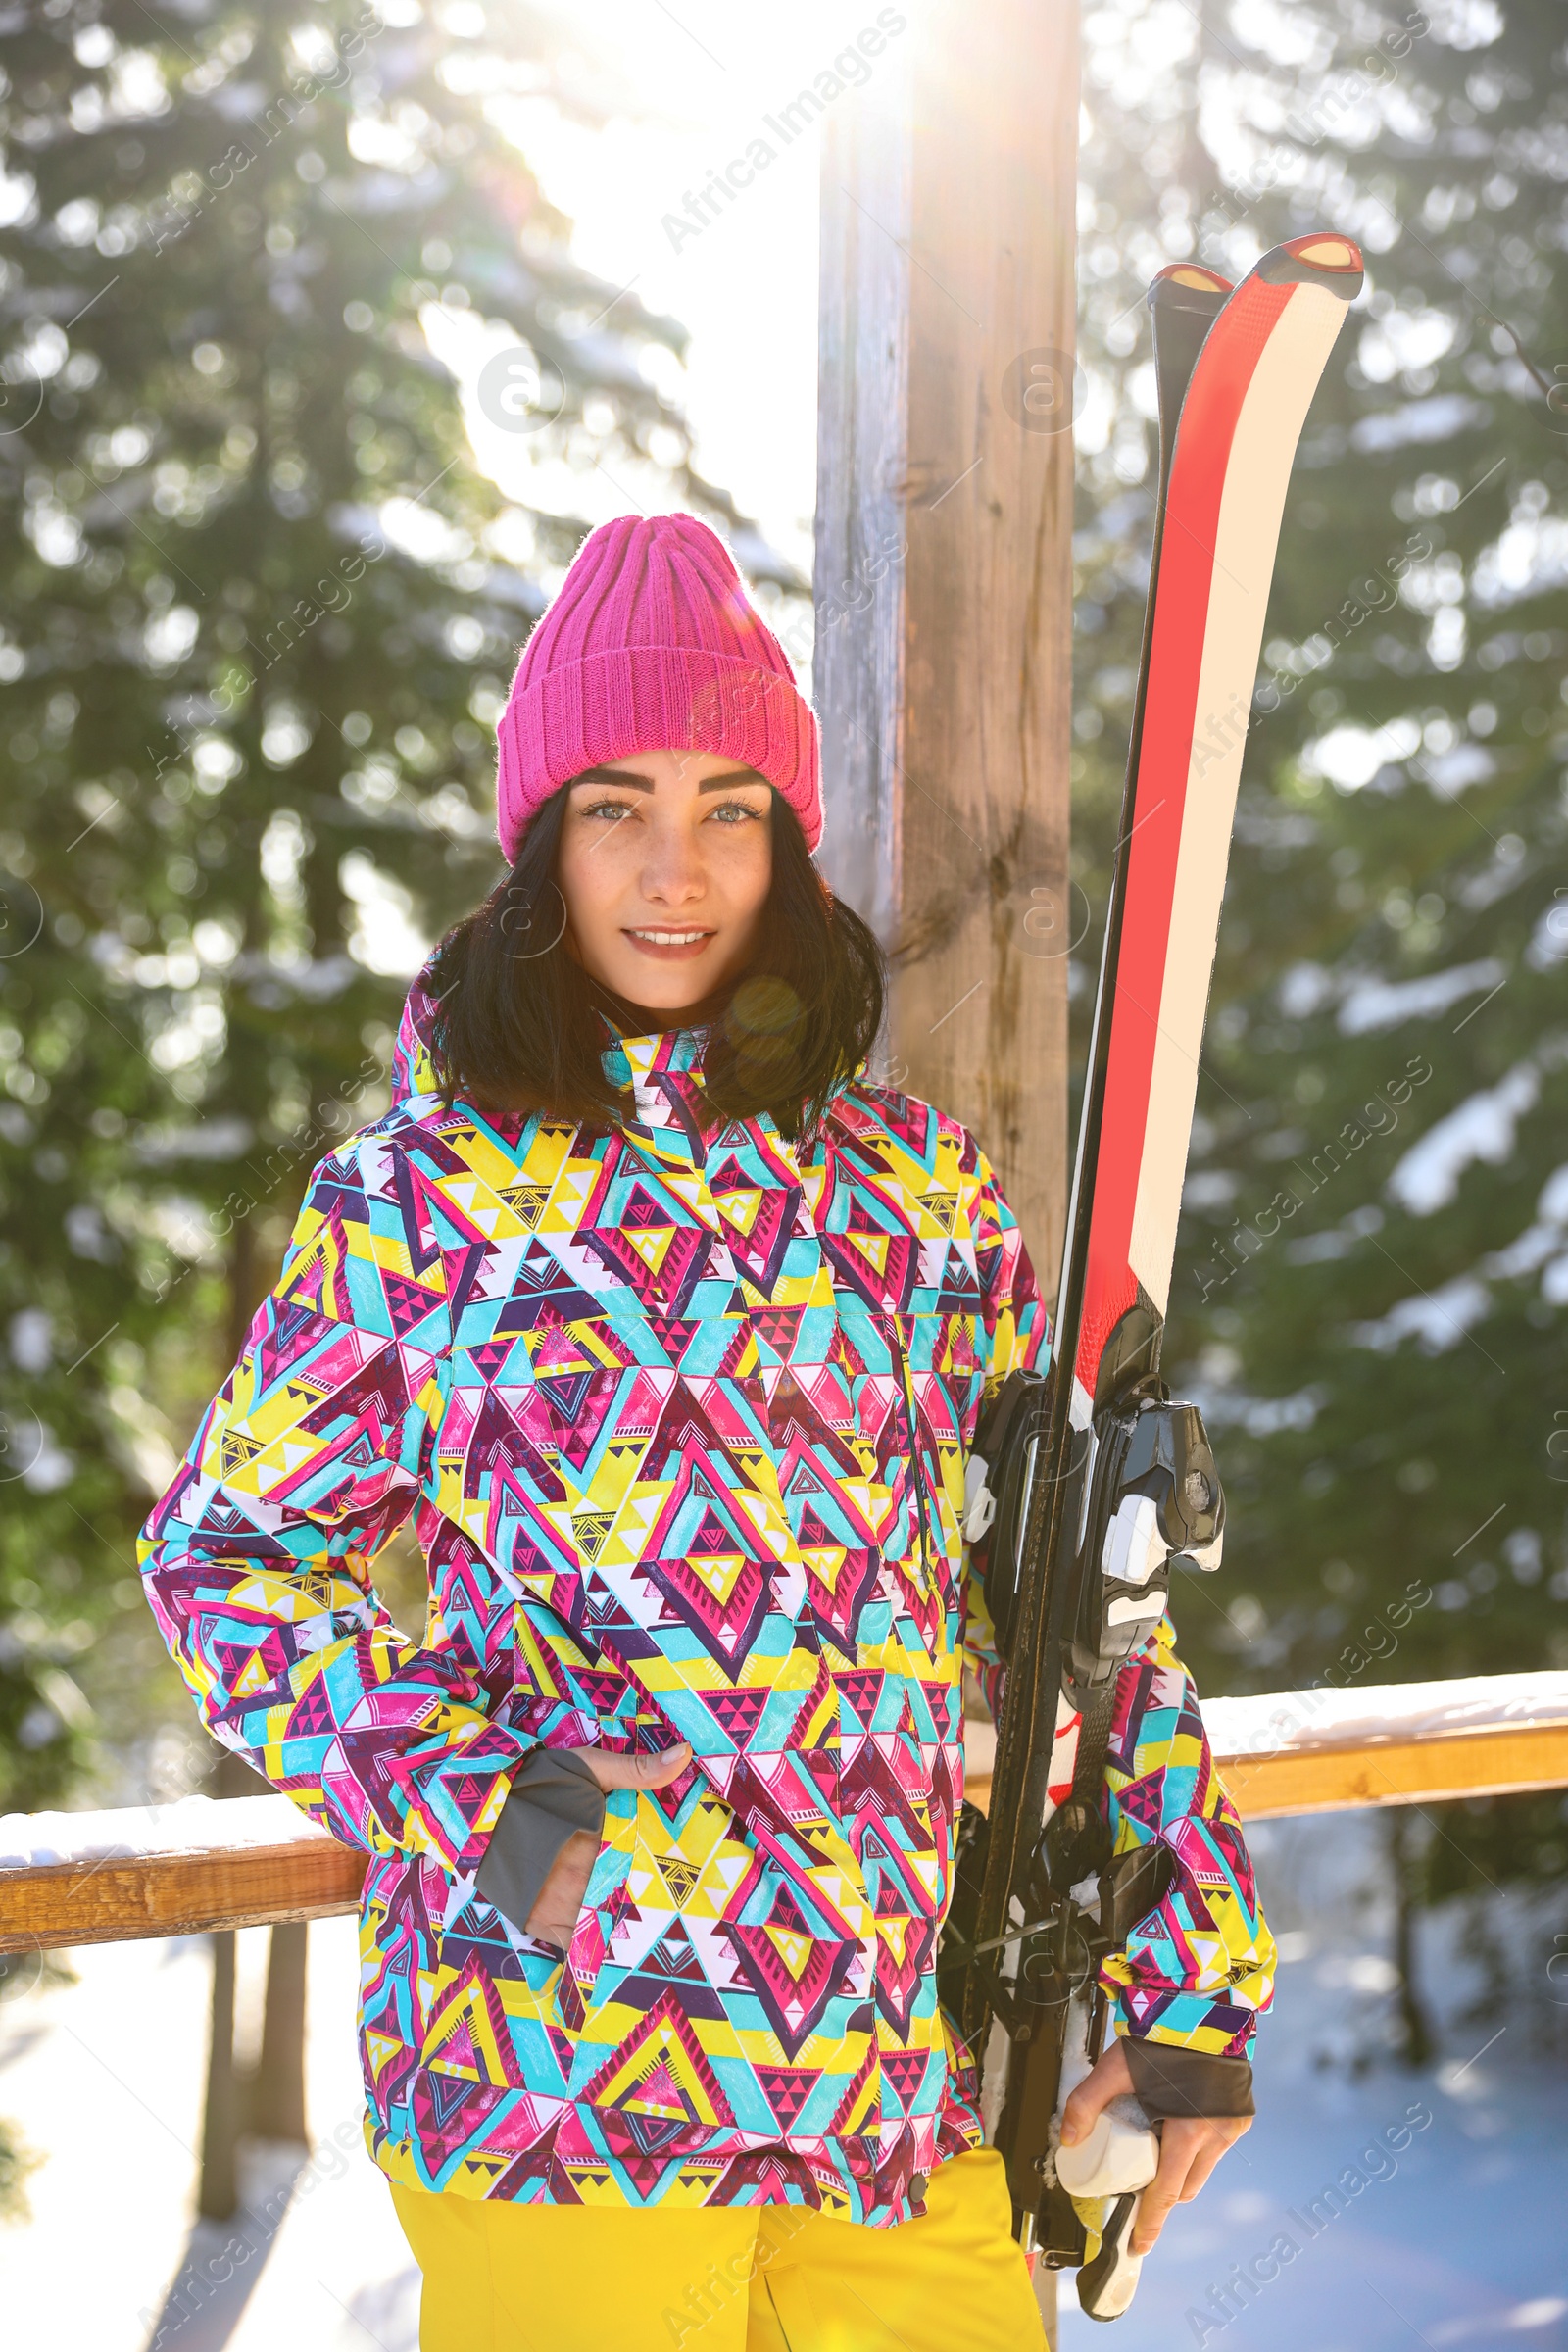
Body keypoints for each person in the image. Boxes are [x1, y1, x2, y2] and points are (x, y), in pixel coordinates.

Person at [141, 514, 1273, 2351]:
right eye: (615, 805)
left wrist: (1193, 1989)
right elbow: (225, 1557)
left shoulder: (913, 1193)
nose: (674, 868)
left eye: (730, 805)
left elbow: (1071, 1597)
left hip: (901, 2102)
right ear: (540, 844)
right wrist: (486, 1795)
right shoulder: (418, 1202)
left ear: (788, 841)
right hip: (550, 2101)